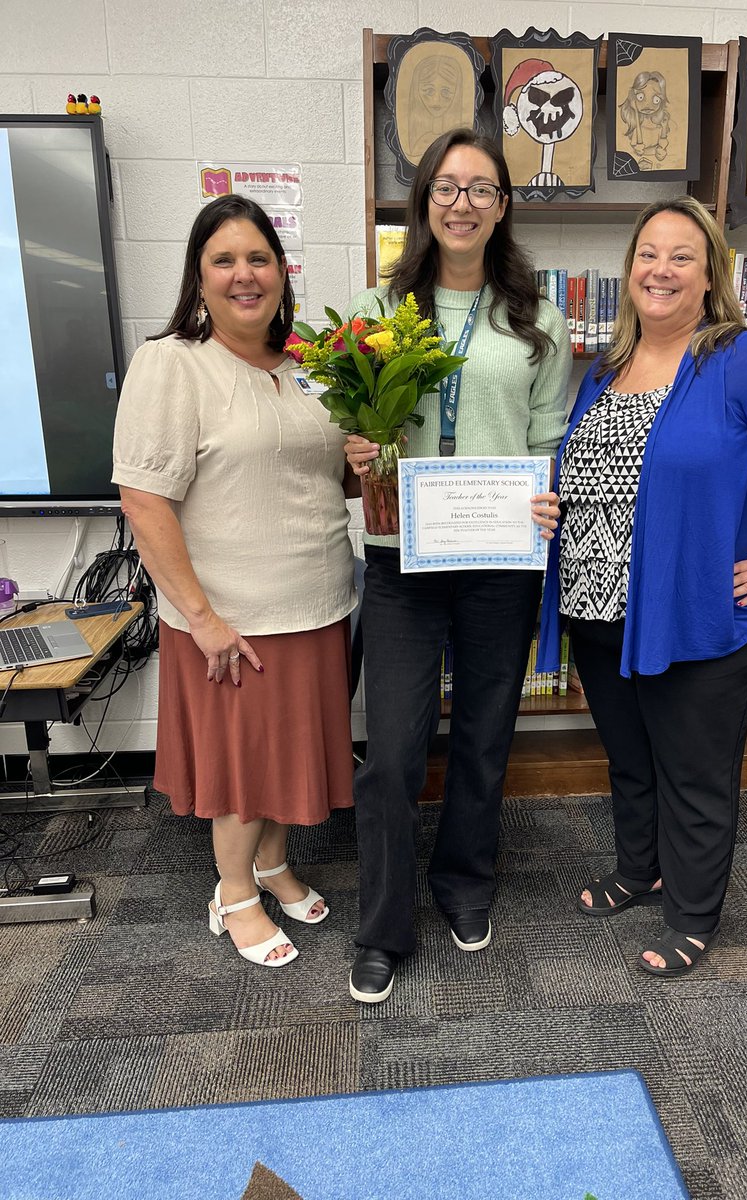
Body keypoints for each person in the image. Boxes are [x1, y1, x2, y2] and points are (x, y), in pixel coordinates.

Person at [538, 196, 747, 977]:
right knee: (630, 759)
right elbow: (596, 476)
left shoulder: (738, 358)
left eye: (682, 256)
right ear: (630, 270)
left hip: (698, 615)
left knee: (694, 769)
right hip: (602, 608)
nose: (661, 269)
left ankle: (691, 912)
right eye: (649, 253)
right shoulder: (607, 368)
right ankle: (638, 869)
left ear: (711, 274)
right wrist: (555, 502)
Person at [344, 128, 572, 1003]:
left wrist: (546, 498)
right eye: (446, 187)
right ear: (424, 202)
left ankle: (465, 885)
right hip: (402, 560)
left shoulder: (536, 317)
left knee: (483, 738)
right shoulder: (378, 308)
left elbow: (544, 440)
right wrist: (356, 450)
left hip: (499, 561)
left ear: (503, 205)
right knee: (393, 755)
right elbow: (348, 432)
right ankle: (383, 927)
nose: (463, 203)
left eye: (481, 188)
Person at [112, 195, 357, 968]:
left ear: (283, 274)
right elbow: (143, 500)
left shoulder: (308, 370)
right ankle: (234, 893)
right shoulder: (173, 363)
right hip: (231, 617)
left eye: (260, 259)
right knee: (244, 769)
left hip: (315, 603)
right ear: (199, 275)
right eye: (225, 260)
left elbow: (311, 479)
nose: (244, 275)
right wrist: (202, 616)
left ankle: (274, 866)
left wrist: (360, 466)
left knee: (288, 759)